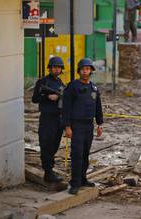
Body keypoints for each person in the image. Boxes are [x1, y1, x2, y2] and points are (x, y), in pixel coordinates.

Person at [63, 58, 103, 195]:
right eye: (83, 69)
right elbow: (66, 108)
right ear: (79, 71)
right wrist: (67, 126)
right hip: (76, 125)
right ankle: (74, 183)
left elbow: (98, 107)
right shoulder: (72, 87)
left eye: (87, 69)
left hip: (88, 126)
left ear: (91, 71)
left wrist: (99, 124)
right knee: (77, 154)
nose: (85, 71)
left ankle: (83, 179)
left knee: (85, 154)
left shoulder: (94, 88)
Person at [31, 56, 66, 183]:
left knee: (55, 145)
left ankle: (49, 170)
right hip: (47, 118)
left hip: (59, 119)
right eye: (54, 67)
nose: (57, 69)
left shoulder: (61, 83)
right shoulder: (43, 82)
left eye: (59, 67)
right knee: (46, 144)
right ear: (50, 68)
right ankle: (48, 172)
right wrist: (47, 97)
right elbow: (34, 98)